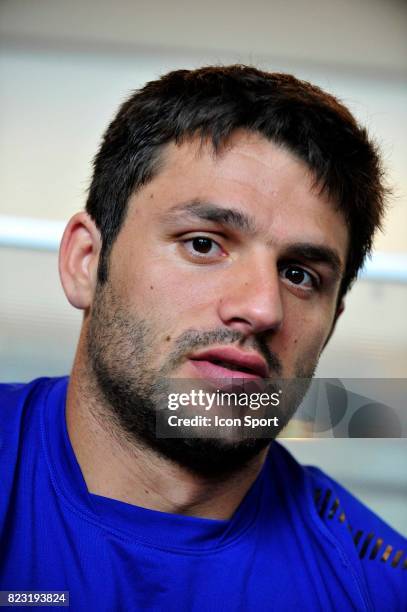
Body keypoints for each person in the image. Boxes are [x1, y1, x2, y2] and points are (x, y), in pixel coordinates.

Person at [0, 65, 405, 611]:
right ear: (85, 262)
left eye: (300, 275)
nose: (262, 308)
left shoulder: (379, 587)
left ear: (331, 322)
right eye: (203, 244)